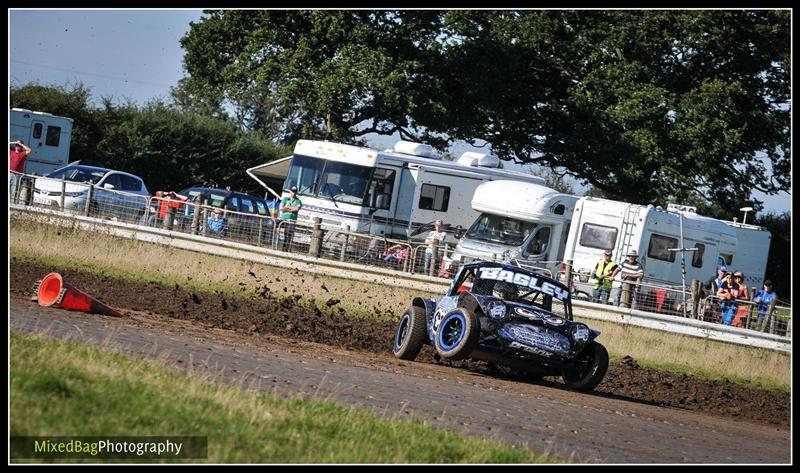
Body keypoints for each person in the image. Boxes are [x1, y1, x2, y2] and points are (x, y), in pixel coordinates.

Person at [279, 186, 303, 251]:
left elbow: (297, 209)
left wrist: (287, 207)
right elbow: (281, 208)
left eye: (295, 192)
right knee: (284, 234)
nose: (294, 193)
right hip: (284, 220)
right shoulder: (285, 199)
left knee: (289, 234)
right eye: (292, 191)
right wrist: (292, 208)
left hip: (292, 221)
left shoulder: (298, 201)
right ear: (290, 191)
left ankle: (286, 248)